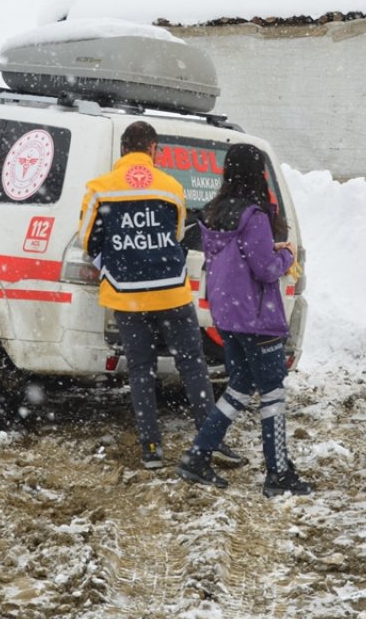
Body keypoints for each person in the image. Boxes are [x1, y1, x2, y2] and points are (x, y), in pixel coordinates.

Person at [79, 121, 243, 470]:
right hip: (171, 292)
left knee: (141, 370)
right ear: (153, 150)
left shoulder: (99, 189)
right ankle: (210, 439)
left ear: (123, 150)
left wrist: (116, 267)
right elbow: (175, 232)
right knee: (193, 365)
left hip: (127, 297)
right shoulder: (171, 187)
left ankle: (151, 447)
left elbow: (89, 240)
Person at [175, 143, 313, 498]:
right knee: (273, 393)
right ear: (258, 174)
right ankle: (278, 473)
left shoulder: (213, 213)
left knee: (238, 386)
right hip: (256, 317)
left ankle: (198, 455)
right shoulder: (255, 216)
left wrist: (270, 253)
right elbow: (265, 269)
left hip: (227, 315)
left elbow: (230, 258)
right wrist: (286, 258)